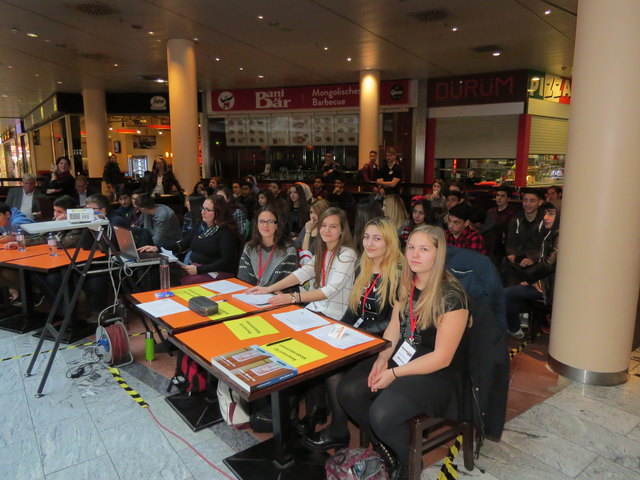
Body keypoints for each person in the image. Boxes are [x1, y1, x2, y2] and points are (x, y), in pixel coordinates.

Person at [338, 225, 470, 479]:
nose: (414, 255)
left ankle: (409, 464)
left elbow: (443, 357)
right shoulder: (407, 282)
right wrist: (383, 356)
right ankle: (388, 450)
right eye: (411, 247)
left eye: (424, 249)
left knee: (382, 414)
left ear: (438, 253)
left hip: (439, 370)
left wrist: (394, 374)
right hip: (405, 354)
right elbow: (395, 327)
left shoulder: (452, 296)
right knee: (349, 391)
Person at [305, 217, 402, 452]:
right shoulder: (363, 265)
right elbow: (353, 308)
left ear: (389, 242)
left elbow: (394, 321)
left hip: (385, 344)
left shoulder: (399, 273)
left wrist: (356, 335)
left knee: (334, 370)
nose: (369, 243)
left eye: (377, 238)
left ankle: (340, 431)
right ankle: (323, 417)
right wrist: (338, 330)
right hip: (361, 337)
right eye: (366, 237)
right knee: (320, 353)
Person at [246, 207, 357, 321]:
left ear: (342, 230)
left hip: (334, 317)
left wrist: (293, 298)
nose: (326, 230)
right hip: (315, 309)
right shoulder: (324, 251)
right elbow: (302, 273)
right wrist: (268, 289)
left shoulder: (347, 254)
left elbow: (330, 290)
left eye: (333, 226)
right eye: (323, 225)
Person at [140, 196, 240, 285]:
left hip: (217, 272)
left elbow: (226, 262)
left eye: (207, 210)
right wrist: (158, 248)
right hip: (197, 268)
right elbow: (183, 244)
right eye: (202, 208)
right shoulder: (202, 226)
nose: (202, 212)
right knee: (163, 272)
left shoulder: (226, 231)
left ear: (219, 212)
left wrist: (199, 270)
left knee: (179, 281)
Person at [504, 202, 559, 338]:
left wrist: (531, 279)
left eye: (551, 214)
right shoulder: (550, 233)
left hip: (551, 286)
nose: (545, 217)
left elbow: (548, 264)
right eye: (545, 214)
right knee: (513, 278)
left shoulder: (558, 235)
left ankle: (514, 328)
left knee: (508, 293)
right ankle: (522, 324)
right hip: (545, 281)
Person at [237, 205, 299, 288]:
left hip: (278, 294)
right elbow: (243, 281)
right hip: (250, 293)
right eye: (261, 221)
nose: (265, 225)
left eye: (270, 221)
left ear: (277, 225)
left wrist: (265, 290)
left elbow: (288, 286)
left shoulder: (288, 251)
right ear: (257, 224)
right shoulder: (249, 248)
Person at [503, 188, 546, 283]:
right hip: (518, 260)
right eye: (525, 200)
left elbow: (546, 246)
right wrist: (511, 254)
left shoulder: (545, 221)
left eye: (532, 201)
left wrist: (532, 259)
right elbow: (511, 242)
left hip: (537, 262)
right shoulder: (516, 219)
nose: (527, 204)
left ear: (540, 202)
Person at [481, 185, 517, 265]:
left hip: (502, 247)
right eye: (497, 195)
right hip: (489, 245)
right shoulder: (490, 211)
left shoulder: (512, 214)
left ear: (508, 198)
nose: (499, 198)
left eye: (502, 196)